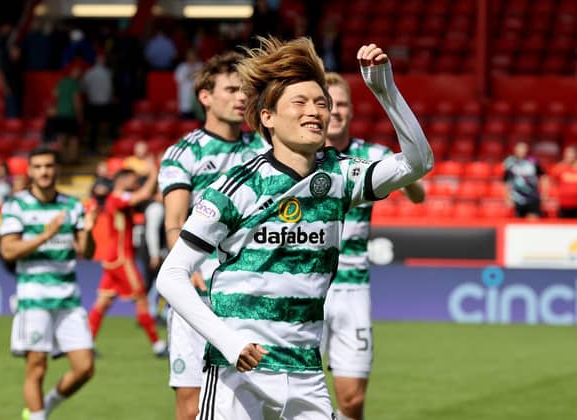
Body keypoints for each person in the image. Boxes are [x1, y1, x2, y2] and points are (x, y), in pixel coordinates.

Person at [156, 37, 432, 419]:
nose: (315, 112)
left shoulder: (340, 175)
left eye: (322, 103)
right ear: (267, 117)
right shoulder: (236, 187)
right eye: (299, 103)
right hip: (239, 372)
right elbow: (170, 276)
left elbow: (417, 163)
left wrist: (384, 88)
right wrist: (228, 342)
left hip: (305, 373)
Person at [158, 50, 270, 420]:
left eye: (245, 91)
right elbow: (174, 220)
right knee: (191, 406)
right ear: (205, 96)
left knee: (260, 402)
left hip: (251, 293)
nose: (242, 98)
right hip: (199, 296)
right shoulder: (183, 153)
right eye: (232, 89)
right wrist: (185, 267)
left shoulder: (264, 148)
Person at [322, 71, 425, 420]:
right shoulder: (300, 157)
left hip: (353, 289)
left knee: (351, 402)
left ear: (351, 111)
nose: (335, 111)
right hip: (307, 286)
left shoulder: (372, 154)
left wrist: (407, 180)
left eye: (342, 105)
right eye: (328, 104)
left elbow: (419, 192)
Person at [0, 147, 96, 420]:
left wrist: (88, 231)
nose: (44, 172)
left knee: (85, 367)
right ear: (30, 171)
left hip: (69, 298)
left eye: (49, 166)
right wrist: (46, 235)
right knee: (36, 367)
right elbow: (8, 250)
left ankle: (44, 409)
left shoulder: (72, 205)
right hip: (34, 296)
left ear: (57, 169)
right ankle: (38, 415)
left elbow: (86, 252)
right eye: (38, 167)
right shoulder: (15, 205)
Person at [87, 158, 167, 357]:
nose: (135, 182)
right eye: (132, 178)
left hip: (113, 259)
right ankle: (157, 345)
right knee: (141, 298)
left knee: (102, 302)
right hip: (122, 259)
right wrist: (153, 174)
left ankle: (86, 344)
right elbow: (145, 193)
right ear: (122, 180)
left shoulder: (118, 198)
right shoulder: (117, 198)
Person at [503, 141, 546, 218]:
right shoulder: (510, 162)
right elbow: (506, 181)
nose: (521, 151)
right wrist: (507, 197)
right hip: (516, 199)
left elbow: (543, 177)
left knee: (532, 222)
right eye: (519, 149)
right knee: (518, 224)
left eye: (523, 148)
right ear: (515, 150)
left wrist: (545, 193)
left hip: (533, 198)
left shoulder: (533, 161)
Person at [82, 52, 113, 154]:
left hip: (94, 104)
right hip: (104, 104)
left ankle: (93, 148)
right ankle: (106, 148)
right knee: (105, 128)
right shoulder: (107, 73)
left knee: (94, 129)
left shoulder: (89, 73)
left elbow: (84, 88)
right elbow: (111, 89)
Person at [174, 48, 202, 119]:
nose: (192, 57)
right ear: (186, 56)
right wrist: (190, 73)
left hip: (198, 103)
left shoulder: (201, 66)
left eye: (193, 55)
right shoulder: (181, 67)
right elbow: (178, 80)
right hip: (185, 103)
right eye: (190, 55)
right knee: (186, 125)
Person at [549, 145, 577, 218]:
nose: (569, 156)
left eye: (571, 154)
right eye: (567, 154)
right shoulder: (559, 168)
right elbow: (552, 182)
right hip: (563, 204)